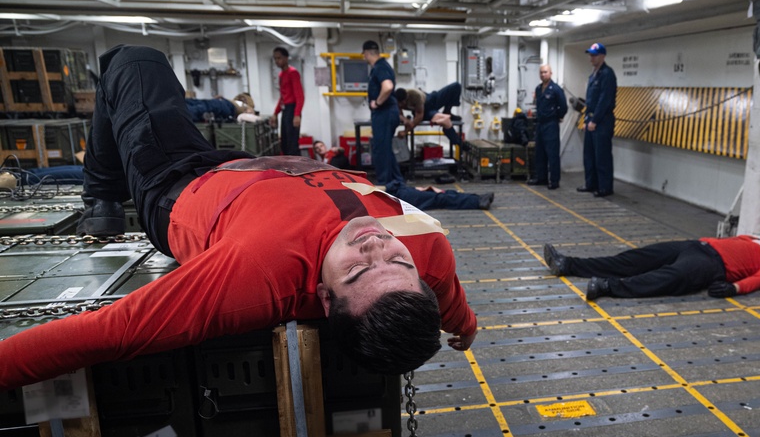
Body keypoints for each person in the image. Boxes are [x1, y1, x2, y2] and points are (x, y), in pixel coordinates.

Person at [0, 45, 477, 391]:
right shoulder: (426, 253)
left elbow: (112, 332)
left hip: (179, 181)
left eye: (356, 270)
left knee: (132, 63)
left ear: (325, 299)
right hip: (256, 169)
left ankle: (102, 196)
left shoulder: (256, 273)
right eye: (398, 262)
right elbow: (451, 301)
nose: (374, 244)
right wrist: (466, 326)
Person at [544, 216, 760, 300]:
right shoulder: (753, 238)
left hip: (712, 264)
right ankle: (568, 264)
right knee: (633, 258)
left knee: (670, 278)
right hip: (695, 246)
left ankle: (607, 286)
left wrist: (735, 287)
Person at [363, 40, 405, 186]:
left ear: (367, 53)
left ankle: (384, 184)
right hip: (386, 112)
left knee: (381, 149)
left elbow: (387, 87)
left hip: (384, 112)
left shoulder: (380, 66)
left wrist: (377, 103)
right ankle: (396, 182)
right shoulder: (383, 66)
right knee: (385, 148)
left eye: (364, 55)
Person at [578, 42, 617, 198]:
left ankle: (605, 187)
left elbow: (604, 100)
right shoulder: (593, 75)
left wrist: (595, 120)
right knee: (589, 155)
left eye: (594, 55)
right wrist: (587, 119)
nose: (591, 58)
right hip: (591, 119)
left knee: (602, 156)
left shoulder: (607, 74)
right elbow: (590, 100)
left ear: (602, 56)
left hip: (602, 121)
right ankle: (591, 183)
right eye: (590, 55)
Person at [526, 64, 568, 189]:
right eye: (541, 72)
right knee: (540, 153)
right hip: (540, 124)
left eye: (545, 72)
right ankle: (541, 178)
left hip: (551, 124)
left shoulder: (556, 89)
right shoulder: (539, 89)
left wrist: (558, 117)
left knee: (552, 153)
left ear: (551, 73)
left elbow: (564, 107)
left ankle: (554, 181)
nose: (543, 74)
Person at [395, 82, 464, 147]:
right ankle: (458, 142)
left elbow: (419, 116)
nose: (401, 105)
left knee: (456, 86)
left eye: (402, 103)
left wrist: (405, 131)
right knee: (445, 120)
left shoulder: (415, 96)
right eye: (399, 104)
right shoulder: (395, 99)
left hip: (430, 100)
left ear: (406, 98)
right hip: (427, 112)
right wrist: (404, 119)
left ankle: (447, 111)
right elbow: (399, 112)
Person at [271, 47, 305, 156]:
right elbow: (282, 97)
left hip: (292, 109)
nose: (277, 61)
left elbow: (300, 96)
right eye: (275, 58)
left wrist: (297, 115)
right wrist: (275, 113)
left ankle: (297, 169)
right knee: (284, 143)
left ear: (286, 58)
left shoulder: (293, 73)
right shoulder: (281, 75)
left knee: (292, 143)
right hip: (285, 110)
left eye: (279, 58)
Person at [384, 180, 493, 211]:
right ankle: (477, 201)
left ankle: (477, 198)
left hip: (396, 192)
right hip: (397, 197)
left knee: (442, 194)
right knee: (439, 198)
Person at [186, 93, 255, 123]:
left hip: (228, 108)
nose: (243, 99)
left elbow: (251, 114)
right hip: (224, 104)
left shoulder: (248, 106)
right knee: (199, 103)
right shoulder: (236, 101)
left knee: (201, 108)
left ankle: (180, 111)